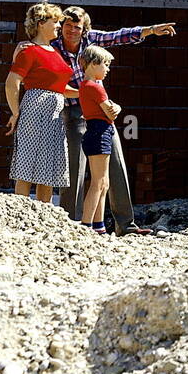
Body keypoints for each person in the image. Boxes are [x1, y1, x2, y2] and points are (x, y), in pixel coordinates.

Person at [38, 6, 176, 235]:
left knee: (115, 167)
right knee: (74, 170)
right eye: (68, 26)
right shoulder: (53, 48)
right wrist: (83, 93)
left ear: (84, 29)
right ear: (61, 26)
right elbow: (44, 71)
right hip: (72, 114)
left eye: (77, 27)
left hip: (101, 116)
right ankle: (73, 224)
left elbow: (119, 35)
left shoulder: (91, 41)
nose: (72, 30)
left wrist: (151, 30)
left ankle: (125, 225)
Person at [5, 2, 76, 202]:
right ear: (41, 23)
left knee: (48, 169)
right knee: (27, 165)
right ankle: (20, 215)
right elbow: (12, 83)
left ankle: (42, 217)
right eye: (55, 21)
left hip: (55, 113)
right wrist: (15, 112)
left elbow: (60, 88)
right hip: (35, 109)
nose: (58, 26)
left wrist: (85, 93)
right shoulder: (28, 50)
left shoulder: (56, 52)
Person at [75, 45, 120, 236]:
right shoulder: (95, 87)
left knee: (104, 183)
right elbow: (110, 112)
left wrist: (115, 107)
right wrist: (118, 107)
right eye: (105, 64)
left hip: (97, 131)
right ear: (93, 64)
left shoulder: (85, 86)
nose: (107, 69)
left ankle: (99, 225)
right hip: (99, 132)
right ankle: (87, 224)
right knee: (98, 182)